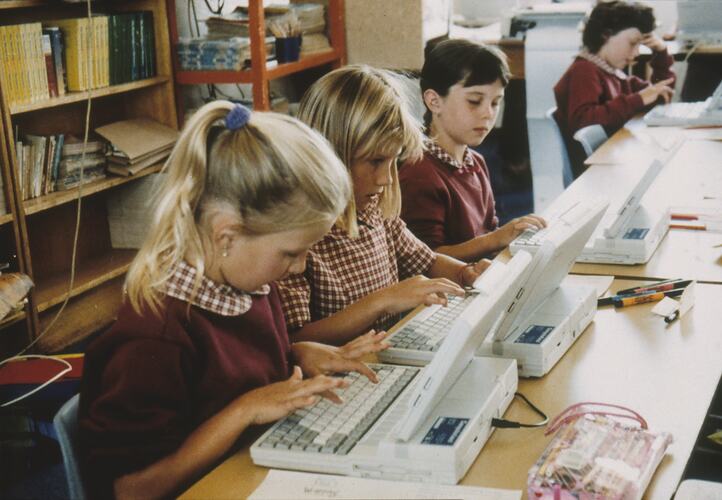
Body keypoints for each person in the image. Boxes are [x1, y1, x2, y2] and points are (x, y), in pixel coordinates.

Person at [78, 101, 390, 499]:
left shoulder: (249, 283)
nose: (299, 267)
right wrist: (244, 411)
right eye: (292, 252)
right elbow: (131, 489)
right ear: (226, 236)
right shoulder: (156, 334)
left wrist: (296, 354)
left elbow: (227, 373)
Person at [277, 65, 492, 346]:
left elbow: (426, 261)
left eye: (393, 161)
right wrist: (383, 301)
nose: (386, 179)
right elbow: (295, 341)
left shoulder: (374, 211)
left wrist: (465, 273)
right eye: (375, 161)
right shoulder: (296, 239)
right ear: (329, 155)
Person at [399, 39, 546, 261]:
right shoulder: (418, 173)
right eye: (475, 101)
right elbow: (427, 259)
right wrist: (497, 239)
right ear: (434, 101)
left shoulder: (475, 162)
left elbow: (488, 232)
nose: (488, 113)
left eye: (496, 103)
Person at [554, 0, 675, 177]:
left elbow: (661, 93)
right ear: (606, 35)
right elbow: (583, 121)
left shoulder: (610, 72)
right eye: (632, 43)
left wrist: (661, 52)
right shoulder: (584, 70)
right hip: (595, 173)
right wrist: (637, 99)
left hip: (612, 161)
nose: (636, 53)